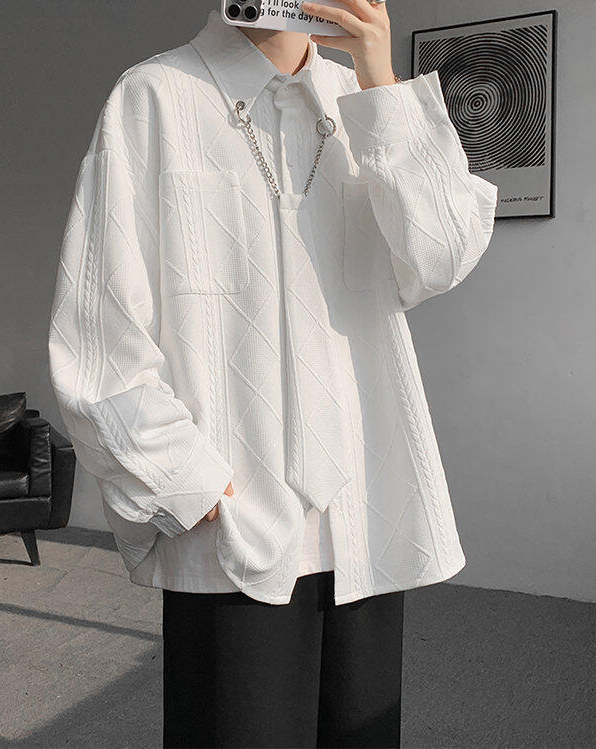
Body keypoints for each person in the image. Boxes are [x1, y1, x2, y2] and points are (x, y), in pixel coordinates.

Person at [48, 1, 498, 746]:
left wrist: (381, 81)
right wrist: (189, 485)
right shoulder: (156, 96)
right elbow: (99, 333)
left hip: (366, 515)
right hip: (235, 523)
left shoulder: (363, 100)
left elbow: (441, 255)